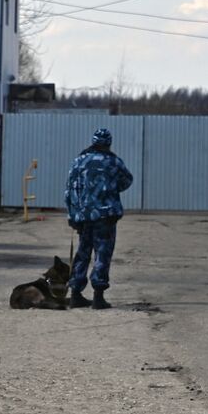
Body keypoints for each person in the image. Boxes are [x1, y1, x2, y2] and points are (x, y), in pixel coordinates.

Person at [64, 127, 134, 310]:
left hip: (84, 215)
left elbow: (69, 189)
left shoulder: (79, 161)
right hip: (106, 215)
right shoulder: (113, 162)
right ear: (109, 143)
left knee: (83, 252)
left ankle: (75, 294)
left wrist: (72, 214)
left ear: (93, 141)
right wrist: (109, 187)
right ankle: (98, 297)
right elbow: (127, 181)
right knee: (102, 254)